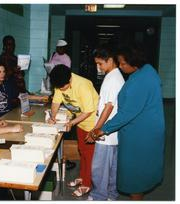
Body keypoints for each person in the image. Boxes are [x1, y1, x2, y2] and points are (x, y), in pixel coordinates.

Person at [85, 43, 165, 200]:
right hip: (143, 129)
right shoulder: (146, 71)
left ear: (135, 63)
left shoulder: (140, 81)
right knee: (133, 170)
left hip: (141, 135)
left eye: (123, 63)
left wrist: (102, 129)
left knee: (135, 175)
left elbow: (127, 113)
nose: (120, 67)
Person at [48, 65, 99, 197]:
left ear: (70, 79)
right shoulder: (60, 82)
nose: (61, 90)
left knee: (89, 154)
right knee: (82, 151)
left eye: (63, 87)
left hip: (92, 123)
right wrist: (52, 117)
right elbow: (55, 102)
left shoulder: (83, 85)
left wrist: (71, 122)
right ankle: (83, 177)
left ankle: (87, 184)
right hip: (80, 122)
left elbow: (88, 111)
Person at [86, 44, 125, 201]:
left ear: (110, 60)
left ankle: (98, 196)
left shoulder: (113, 78)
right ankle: (110, 195)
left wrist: (96, 130)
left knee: (100, 168)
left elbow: (109, 107)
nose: (98, 67)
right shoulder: (116, 76)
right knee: (112, 167)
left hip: (106, 133)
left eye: (100, 63)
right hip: (112, 133)